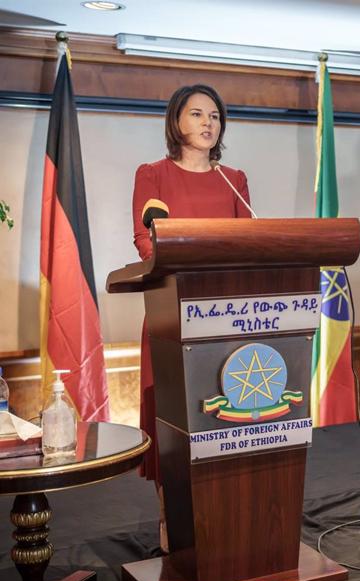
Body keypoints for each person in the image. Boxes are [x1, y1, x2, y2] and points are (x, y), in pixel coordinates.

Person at [132, 84, 253, 547]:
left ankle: (224, 515)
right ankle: (173, 521)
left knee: (222, 416)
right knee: (175, 422)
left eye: (216, 116)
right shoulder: (153, 175)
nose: (208, 123)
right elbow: (148, 243)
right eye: (197, 114)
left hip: (225, 320)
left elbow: (248, 245)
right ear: (176, 122)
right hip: (172, 316)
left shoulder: (233, 179)